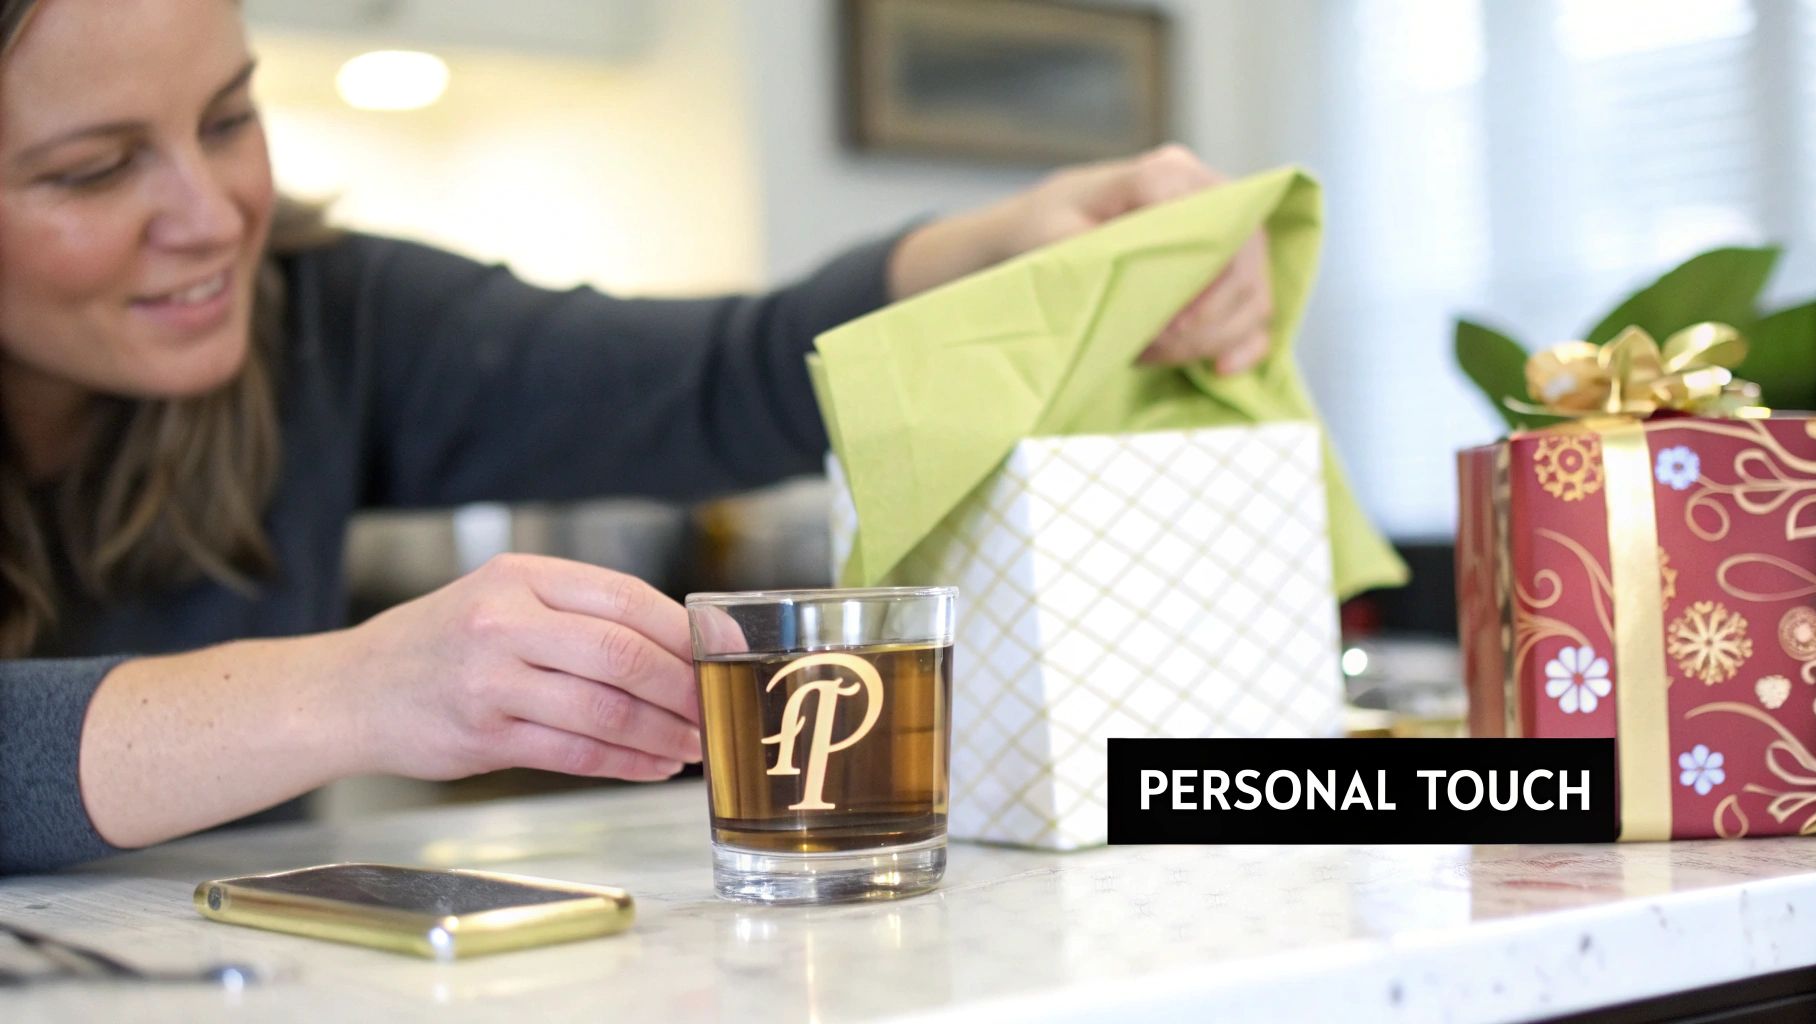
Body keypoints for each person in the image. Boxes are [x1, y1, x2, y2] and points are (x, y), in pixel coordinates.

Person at [0, 0, 1276, 874]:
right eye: (94, 170)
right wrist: (353, 689)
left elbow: (723, 374)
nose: (211, 216)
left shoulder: (328, 315)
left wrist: (1008, 249)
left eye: (228, 119)